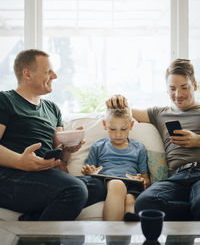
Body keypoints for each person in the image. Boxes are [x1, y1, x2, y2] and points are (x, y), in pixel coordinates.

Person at [0, 49, 106, 221]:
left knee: (100, 186)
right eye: (48, 71)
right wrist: (21, 162)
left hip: (42, 175)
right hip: (9, 175)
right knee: (75, 189)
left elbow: (59, 154)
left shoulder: (52, 109)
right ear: (27, 74)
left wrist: (68, 148)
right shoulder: (5, 100)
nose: (55, 76)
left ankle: (31, 223)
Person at [106, 58, 200, 221]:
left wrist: (197, 140)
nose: (178, 94)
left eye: (184, 87)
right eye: (172, 89)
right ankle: (194, 213)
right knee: (144, 203)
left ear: (195, 86)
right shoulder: (160, 113)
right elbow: (125, 110)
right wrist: (116, 99)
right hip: (176, 178)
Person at [81, 106, 150, 221]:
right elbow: (89, 172)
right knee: (117, 184)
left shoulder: (139, 148)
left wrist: (142, 180)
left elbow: (146, 179)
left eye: (123, 129)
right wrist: (90, 171)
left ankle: (130, 224)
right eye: (112, 129)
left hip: (132, 184)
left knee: (130, 199)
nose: (118, 134)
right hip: (107, 182)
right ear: (105, 125)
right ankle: (113, 234)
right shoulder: (98, 146)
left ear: (131, 126)